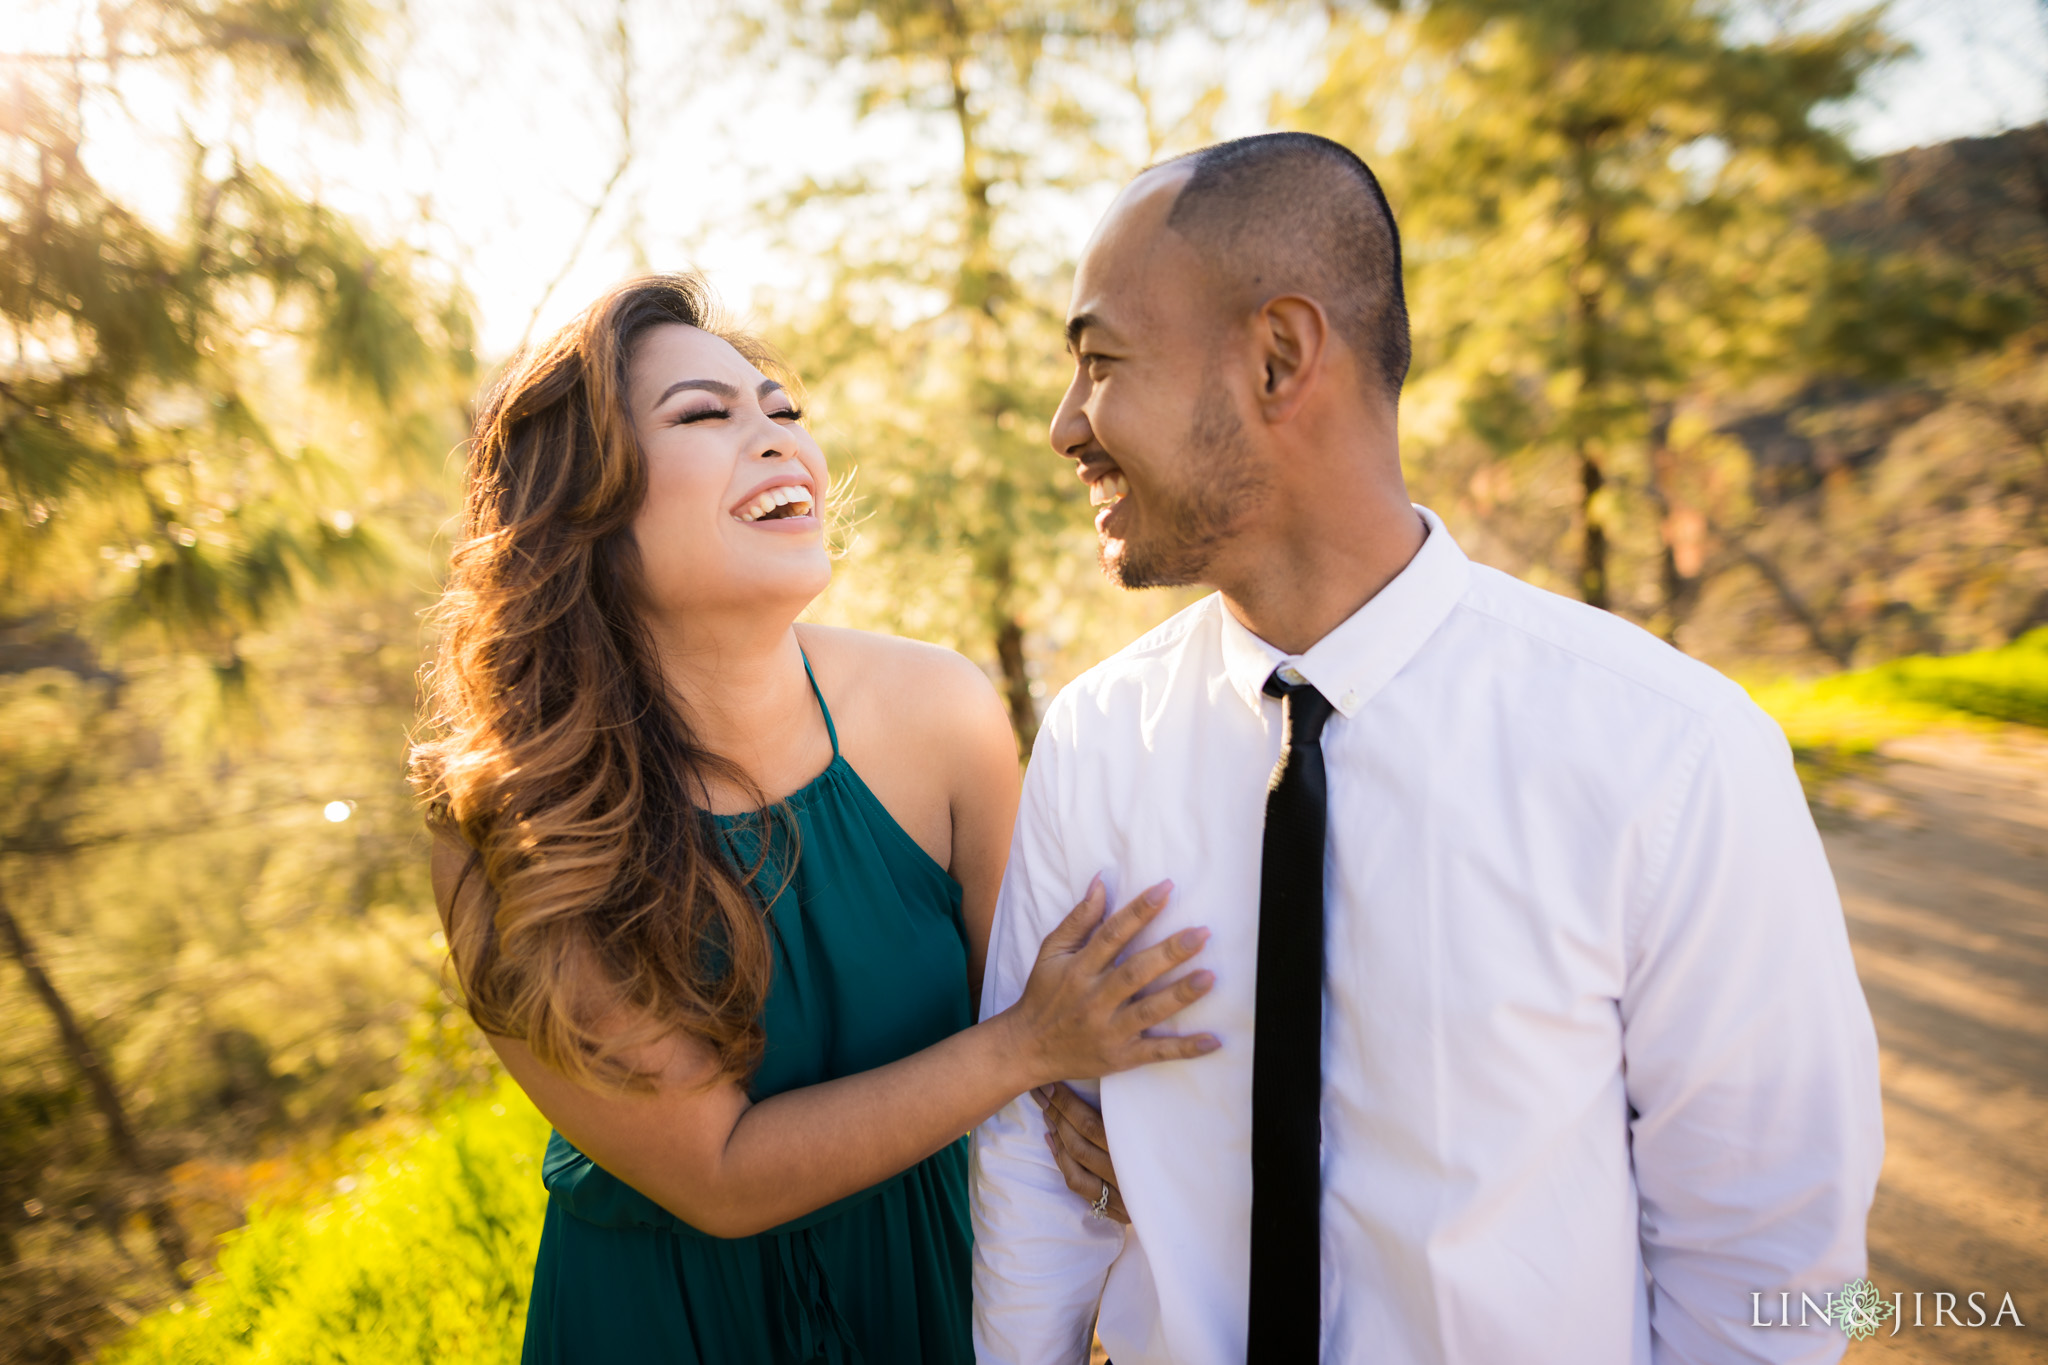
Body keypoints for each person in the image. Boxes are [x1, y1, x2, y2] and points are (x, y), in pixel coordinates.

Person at [970, 133, 1884, 1364]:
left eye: (1099, 363)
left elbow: (1773, 1249)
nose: (1063, 423)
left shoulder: (1670, 756)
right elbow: (1039, 1157)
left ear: (1279, 358)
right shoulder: (1091, 743)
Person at [409, 273, 1221, 1365]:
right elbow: (721, 1175)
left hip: (933, 1290)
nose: (777, 436)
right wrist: (1020, 1050)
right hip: (671, 1324)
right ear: (583, 506)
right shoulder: (508, 815)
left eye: (782, 409)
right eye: (704, 414)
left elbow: (1065, 1065)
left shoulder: (944, 714)